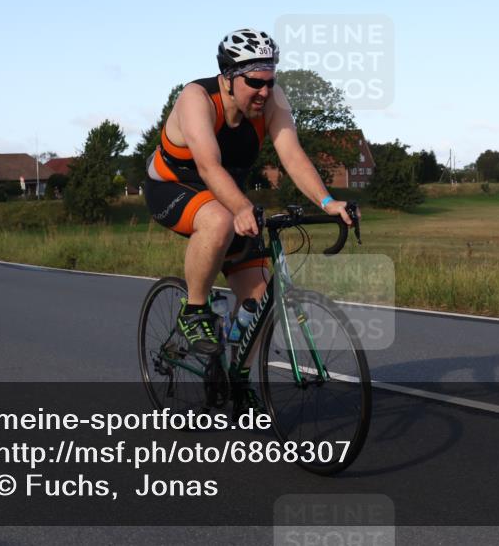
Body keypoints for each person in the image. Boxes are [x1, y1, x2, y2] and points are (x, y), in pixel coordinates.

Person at [143, 28, 355, 411]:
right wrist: (241, 208)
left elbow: (292, 156)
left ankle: (236, 378)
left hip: (226, 194)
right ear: (227, 77)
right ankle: (194, 310)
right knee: (220, 220)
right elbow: (207, 166)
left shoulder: (272, 101)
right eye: (255, 82)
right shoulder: (196, 98)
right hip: (174, 185)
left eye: (270, 82)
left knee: (257, 299)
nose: (264, 91)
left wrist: (327, 202)